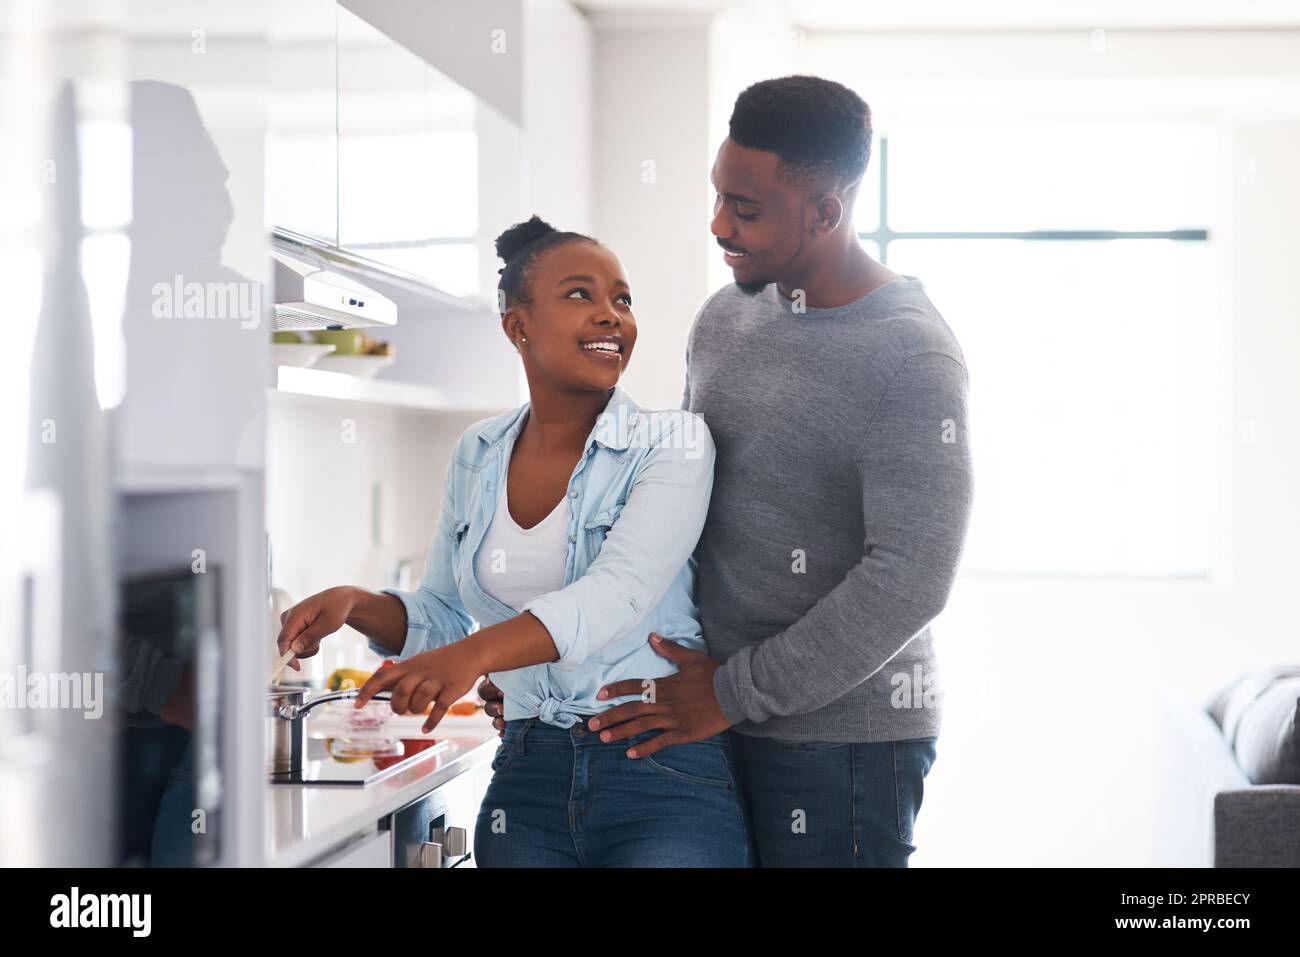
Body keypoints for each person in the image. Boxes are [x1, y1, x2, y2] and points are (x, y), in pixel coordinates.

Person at [484, 76, 974, 868]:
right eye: (718, 196)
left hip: (839, 745)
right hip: (708, 719)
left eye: (746, 209)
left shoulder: (911, 356)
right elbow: (670, 517)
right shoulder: (728, 316)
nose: (719, 225)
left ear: (825, 212)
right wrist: (551, 674)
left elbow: (914, 576)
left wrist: (730, 692)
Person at [276, 216, 749, 867]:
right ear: (517, 324)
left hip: (659, 773)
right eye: (581, 294)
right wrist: (356, 603)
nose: (613, 316)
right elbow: (442, 616)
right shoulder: (478, 452)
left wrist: (477, 655)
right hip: (528, 776)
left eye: (623, 298)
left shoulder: (673, 443)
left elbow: (618, 592)